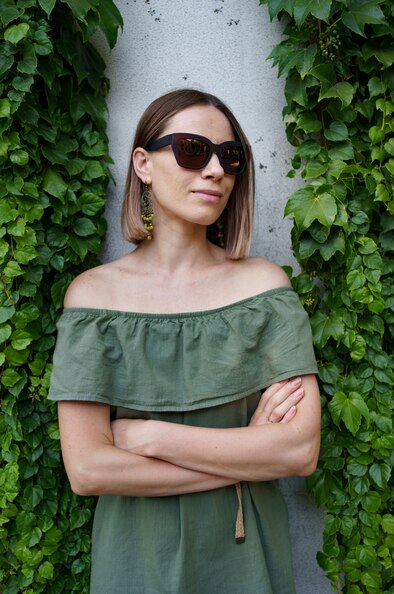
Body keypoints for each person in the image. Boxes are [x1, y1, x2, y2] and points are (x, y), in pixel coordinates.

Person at [48, 88, 321, 594]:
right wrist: (245, 454)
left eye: (230, 155)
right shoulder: (92, 298)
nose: (216, 169)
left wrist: (150, 437)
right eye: (193, 150)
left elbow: (298, 451)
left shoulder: (264, 288)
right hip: (136, 562)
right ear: (143, 164)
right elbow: (88, 470)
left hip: (246, 559)